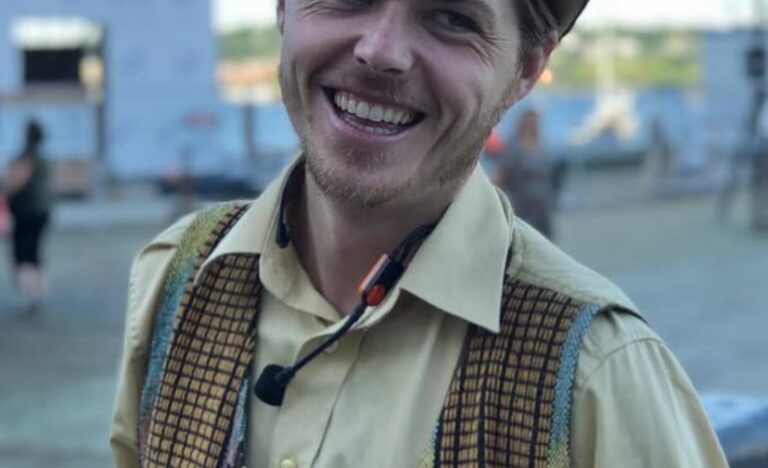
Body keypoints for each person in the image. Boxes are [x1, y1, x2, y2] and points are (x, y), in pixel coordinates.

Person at [111, 0, 728, 466]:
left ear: (526, 69)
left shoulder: (599, 373)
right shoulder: (175, 278)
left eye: (452, 18)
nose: (382, 51)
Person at [3, 120, 52, 314]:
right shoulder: (42, 155)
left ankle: (29, 296)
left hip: (27, 212)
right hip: (41, 211)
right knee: (35, 254)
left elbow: (16, 182)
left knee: (24, 255)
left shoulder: (27, 156)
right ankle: (38, 294)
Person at [492, 108, 558, 238]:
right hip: (522, 208)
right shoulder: (514, 148)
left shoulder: (540, 147)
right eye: (533, 122)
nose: (536, 125)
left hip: (542, 209)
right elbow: (501, 177)